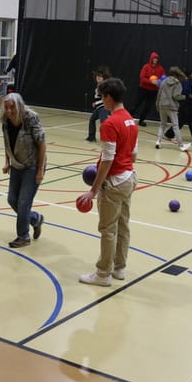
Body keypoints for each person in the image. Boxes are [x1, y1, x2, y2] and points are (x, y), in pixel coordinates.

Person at [77, 77, 140, 286]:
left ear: (109, 97)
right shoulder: (131, 120)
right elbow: (134, 155)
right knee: (123, 225)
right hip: (129, 178)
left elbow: (107, 160)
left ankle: (103, 274)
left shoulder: (110, 123)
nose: (101, 101)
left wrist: (93, 190)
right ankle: (119, 268)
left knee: (108, 229)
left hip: (114, 182)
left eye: (102, 97)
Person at [1, 93, 47, 248]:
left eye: (12, 107)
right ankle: (35, 219)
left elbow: (42, 144)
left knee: (23, 202)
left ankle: (23, 236)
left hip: (32, 165)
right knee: (12, 199)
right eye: (6, 107)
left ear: (19, 105)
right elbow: (7, 141)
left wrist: (40, 170)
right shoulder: (5, 120)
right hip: (16, 164)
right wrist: (7, 162)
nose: (9, 111)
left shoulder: (30, 118)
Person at [155, 66, 190, 151]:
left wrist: (157, 105)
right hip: (171, 107)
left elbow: (159, 94)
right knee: (175, 126)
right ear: (177, 75)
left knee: (162, 124)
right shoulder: (178, 84)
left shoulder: (164, 81)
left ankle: (158, 142)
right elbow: (176, 96)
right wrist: (184, 97)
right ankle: (181, 145)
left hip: (162, 105)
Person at [132, 52, 164, 127]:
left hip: (153, 91)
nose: (155, 60)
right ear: (151, 59)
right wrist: (151, 82)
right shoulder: (146, 67)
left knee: (147, 107)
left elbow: (163, 78)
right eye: (154, 58)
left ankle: (141, 120)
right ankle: (127, 117)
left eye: (156, 59)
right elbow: (142, 78)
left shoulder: (160, 69)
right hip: (143, 89)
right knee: (136, 104)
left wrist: (159, 82)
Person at [85, 66, 112, 142]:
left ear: (104, 78)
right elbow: (99, 98)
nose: (98, 78)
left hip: (103, 108)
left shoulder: (104, 86)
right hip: (99, 108)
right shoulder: (99, 86)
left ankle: (108, 139)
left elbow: (106, 96)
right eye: (97, 76)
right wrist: (95, 103)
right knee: (92, 120)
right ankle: (91, 137)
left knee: (104, 123)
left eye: (100, 77)